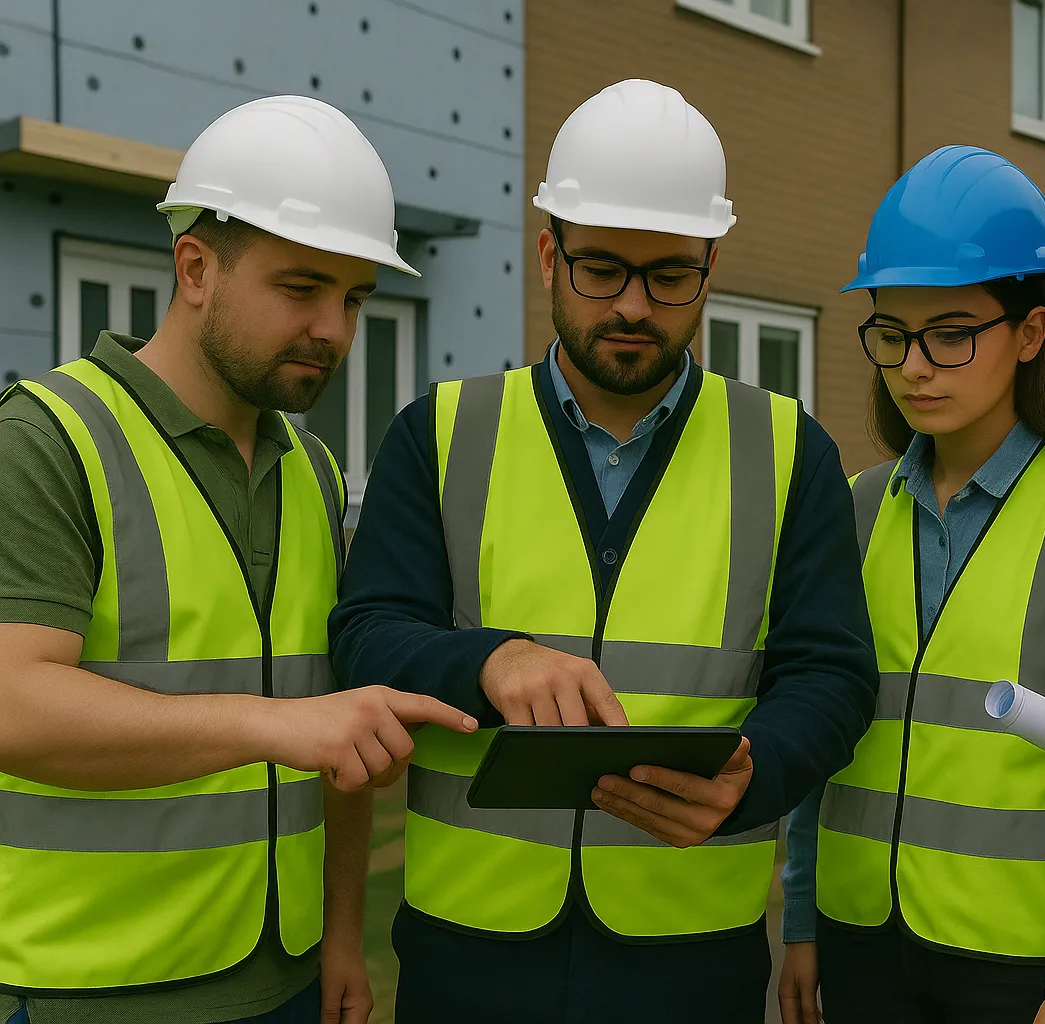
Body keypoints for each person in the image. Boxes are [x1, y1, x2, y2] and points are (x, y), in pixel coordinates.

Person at [328, 78, 879, 1022]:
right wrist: (490, 659)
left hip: (692, 956)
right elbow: (366, 635)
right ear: (549, 255)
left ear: (710, 267)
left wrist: (759, 773)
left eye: (669, 276)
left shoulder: (791, 451)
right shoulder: (441, 432)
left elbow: (832, 674)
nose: (633, 305)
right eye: (601, 269)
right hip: (471, 950)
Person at [0, 96, 476, 1024]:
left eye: (354, 298)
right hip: (84, 989)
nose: (335, 329)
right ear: (195, 269)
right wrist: (275, 726)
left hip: (285, 979)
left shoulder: (314, 471)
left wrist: (343, 934)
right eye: (302, 289)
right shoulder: (48, 439)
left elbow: (335, 725)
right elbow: (12, 703)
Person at [776, 145, 1045, 1024]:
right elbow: (818, 728)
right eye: (891, 334)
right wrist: (799, 915)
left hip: (1021, 966)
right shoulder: (856, 507)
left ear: (1031, 333)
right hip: (858, 939)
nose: (914, 366)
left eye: (951, 334)